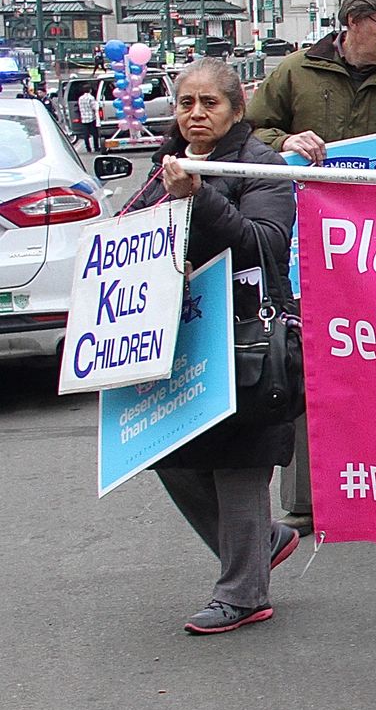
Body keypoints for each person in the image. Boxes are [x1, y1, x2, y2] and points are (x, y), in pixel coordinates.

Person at [247, 0, 376, 536]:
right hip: (303, 251)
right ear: (353, 22)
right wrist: (284, 142)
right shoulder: (294, 73)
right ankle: (307, 500)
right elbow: (250, 133)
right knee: (305, 364)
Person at [121, 60, 300, 633]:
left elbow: (264, 244)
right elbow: (129, 233)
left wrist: (199, 197)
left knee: (239, 458)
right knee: (168, 450)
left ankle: (242, 593)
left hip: (247, 337)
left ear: (236, 109)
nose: (195, 114)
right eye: (185, 103)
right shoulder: (166, 166)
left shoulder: (260, 165)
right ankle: (260, 543)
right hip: (181, 337)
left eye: (209, 103)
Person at [74, 86, 99, 153]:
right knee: (95, 133)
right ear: (90, 90)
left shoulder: (80, 98)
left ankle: (88, 148)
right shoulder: (91, 98)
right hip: (91, 118)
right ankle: (96, 147)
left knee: (86, 134)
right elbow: (94, 107)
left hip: (84, 118)